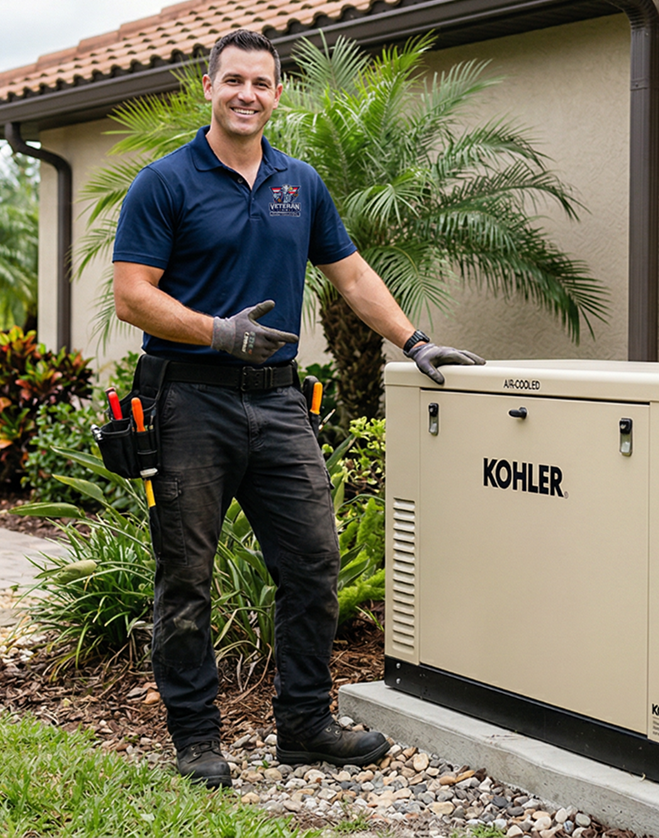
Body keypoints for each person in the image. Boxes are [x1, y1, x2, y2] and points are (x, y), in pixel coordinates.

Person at [112, 28, 484, 788]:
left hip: (279, 404)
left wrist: (415, 342)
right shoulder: (166, 181)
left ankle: (306, 725)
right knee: (186, 577)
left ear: (278, 95)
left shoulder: (299, 182)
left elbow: (350, 274)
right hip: (189, 402)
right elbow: (132, 296)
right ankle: (196, 738)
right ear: (208, 88)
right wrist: (220, 332)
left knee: (313, 567)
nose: (247, 94)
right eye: (233, 81)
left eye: (261, 83)